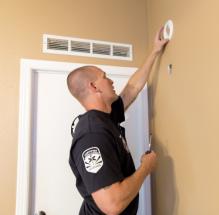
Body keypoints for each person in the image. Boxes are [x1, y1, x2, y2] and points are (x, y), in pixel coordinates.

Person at [67, 28, 168, 215]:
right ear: (94, 86)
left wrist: (155, 50)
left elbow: (132, 88)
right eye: (105, 77)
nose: (111, 81)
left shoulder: (105, 117)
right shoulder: (92, 134)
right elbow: (112, 205)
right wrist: (146, 167)